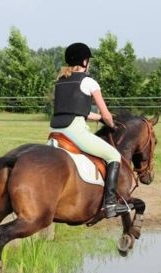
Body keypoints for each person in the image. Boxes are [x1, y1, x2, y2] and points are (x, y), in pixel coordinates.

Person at [50, 42, 127, 219]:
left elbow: (77, 110)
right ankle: (110, 204)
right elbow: (106, 114)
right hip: (75, 132)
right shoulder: (88, 81)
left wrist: (98, 118)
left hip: (55, 131)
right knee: (114, 156)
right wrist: (110, 123)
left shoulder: (60, 81)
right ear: (85, 61)